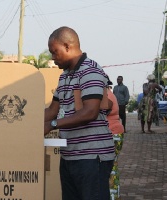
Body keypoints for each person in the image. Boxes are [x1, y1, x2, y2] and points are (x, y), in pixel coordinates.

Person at [44, 26, 115, 200]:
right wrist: (26, 124)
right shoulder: (64, 76)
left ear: (68, 46)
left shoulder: (90, 71)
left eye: (55, 52)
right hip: (70, 156)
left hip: (92, 157)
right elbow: (52, 110)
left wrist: (52, 125)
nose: (53, 58)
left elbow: (90, 112)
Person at [106, 79, 125, 200]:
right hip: (115, 132)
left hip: (112, 133)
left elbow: (103, 109)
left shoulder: (106, 95)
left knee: (111, 167)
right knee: (112, 166)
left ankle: (113, 196)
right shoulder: (109, 93)